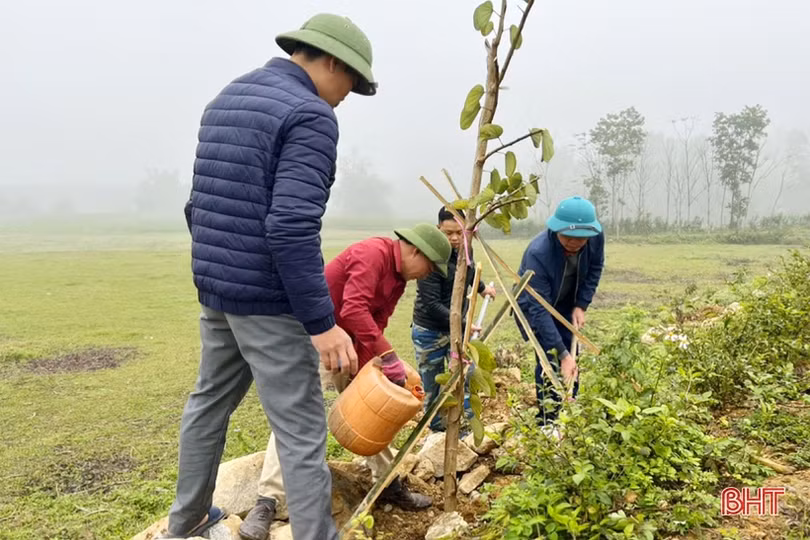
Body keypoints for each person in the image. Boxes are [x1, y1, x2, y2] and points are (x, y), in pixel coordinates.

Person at [164, 14, 377, 540]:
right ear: (330, 60)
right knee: (302, 430)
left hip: (218, 290)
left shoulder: (228, 98)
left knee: (208, 400)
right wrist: (321, 322)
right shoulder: (309, 114)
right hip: (268, 297)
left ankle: (186, 521)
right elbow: (290, 227)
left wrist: (219, 272)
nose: (347, 95)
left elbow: (199, 205)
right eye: (351, 80)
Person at [239, 224, 452, 540]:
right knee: (294, 417)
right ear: (416, 251)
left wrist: (372, 372)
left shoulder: (399, 280)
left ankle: (388, 482)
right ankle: (267, 501)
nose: (427, 274)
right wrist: (389, 356)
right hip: (311, 337)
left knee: (371, 410)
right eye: (430, 267)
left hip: (347, 344)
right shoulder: (373, 255)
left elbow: (376, 322)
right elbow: (353, 308)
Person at [516, 196, 605, 429]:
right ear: (555, 229)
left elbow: (595, 267)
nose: (574, 243)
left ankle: (569, 415)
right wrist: (563, 355)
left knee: (572, 357)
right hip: (536, 306)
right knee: (550, 359)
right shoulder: (538, 253)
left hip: (567, 301)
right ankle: (549, 422)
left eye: (580, 239)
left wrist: (581, 304)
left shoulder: (595, 239)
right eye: (567, 237)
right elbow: (539, 309)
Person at [411, 207, 497, 432]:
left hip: (457, 330)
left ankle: (464, 425)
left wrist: (481, 288)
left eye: (459, 232)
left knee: (465, 376)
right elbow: (432, 305)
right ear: (438, 228)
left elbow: (468, 273)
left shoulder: (466, 250)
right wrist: (462, 323)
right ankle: (436, 429)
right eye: (448, 233)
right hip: (429, 331)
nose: (455, 238)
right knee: (431, 383)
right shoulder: (430, 257)